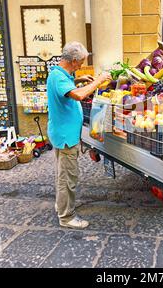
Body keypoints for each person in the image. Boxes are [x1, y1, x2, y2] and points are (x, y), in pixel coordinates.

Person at [47, 41, 111, 229]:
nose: (82, 65)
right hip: (66, 137)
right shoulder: (59, 78)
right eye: (81, 62)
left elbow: (68, 89)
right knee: (68, 177)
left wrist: (79, 80)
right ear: (74, 60)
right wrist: (99, 80)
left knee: (62, 175)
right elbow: (78, 96)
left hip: (61, 133)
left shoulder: (60, 74)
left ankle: (61, 205)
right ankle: (66, 216)